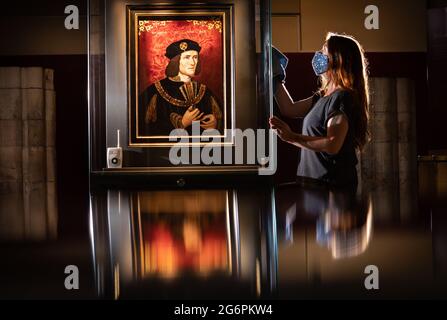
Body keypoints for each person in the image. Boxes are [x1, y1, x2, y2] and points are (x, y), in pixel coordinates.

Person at [270, 32, 370, 189]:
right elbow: (288, 108)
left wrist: (291, 137)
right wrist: (274, 75)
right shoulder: (323, 97)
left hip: (331, 187)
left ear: (338, 59)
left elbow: (332, 144)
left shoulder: (342, 98)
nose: (318, 56)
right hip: (312, 183)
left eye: (324, 51)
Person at [139, 39, 223, 136]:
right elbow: (144, 129)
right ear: (176, 61)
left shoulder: (204, 91)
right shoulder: (155, 91)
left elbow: (225, 124)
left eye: (195, 57)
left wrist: (215, 125)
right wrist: (182, 123)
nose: (192, 62)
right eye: (187, 57)